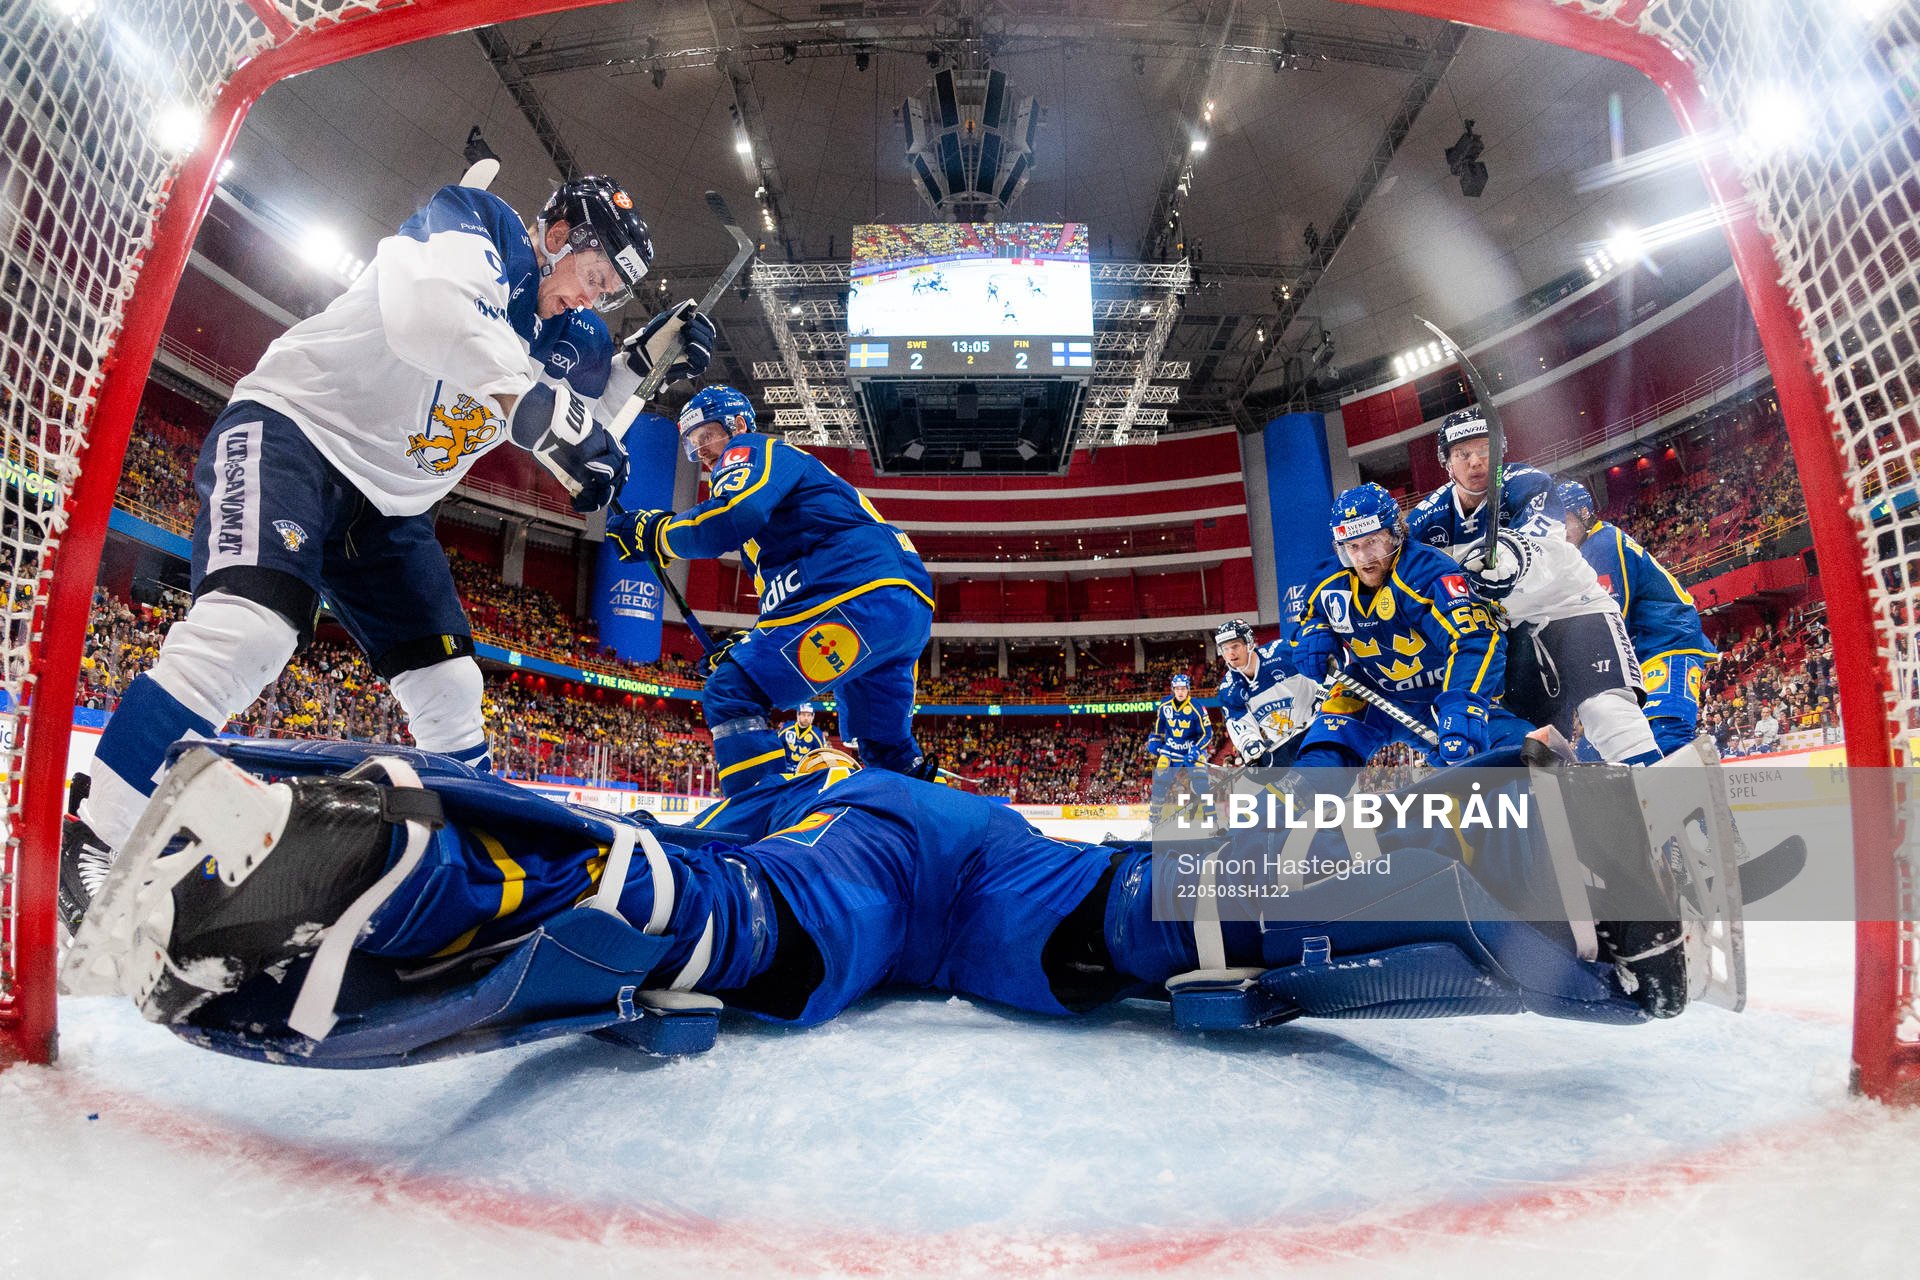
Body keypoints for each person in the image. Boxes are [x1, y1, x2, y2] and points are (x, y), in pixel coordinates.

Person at [63, 732, 1713, 1069]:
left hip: (945, 855)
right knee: (1139, 903)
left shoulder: (799, 776)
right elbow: (720, 847)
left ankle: (1537, 867)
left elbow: (725, 847)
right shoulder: (769, 791)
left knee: (1152, 898)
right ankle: (369, 865)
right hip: (919, 869)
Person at [57, 172, 717, 932]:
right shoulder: (481, 227)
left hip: (392, 511)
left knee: (452, 689)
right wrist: (535, 405)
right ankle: (97, 836)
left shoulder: (578, 337)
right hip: (293, 433)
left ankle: (475, 865)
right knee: (249, 633)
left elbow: (588, 419)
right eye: (593, 280)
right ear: (561, 237)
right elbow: (427, 317)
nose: (591, 301)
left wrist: (642, 358)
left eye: (608, 296)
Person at [608, 385, 935, 795]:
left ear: (738, 424)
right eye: (693, 446)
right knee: (885, 746)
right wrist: (753, 643)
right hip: (894, 608)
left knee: (732, 691)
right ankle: (926, 834)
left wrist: (656, 533)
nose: (702, 452)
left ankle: (762, 835)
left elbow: (731, 517)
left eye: (705, 435)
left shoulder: (751, 449)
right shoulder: (779, 515)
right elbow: (788, 600)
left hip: (854, 589)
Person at [1406, 407, 1662, 766]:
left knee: (1609, 713)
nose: (1476, 462)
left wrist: (1510, 557)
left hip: (1573, 609)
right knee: (1534, 745)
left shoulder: (1530, 483)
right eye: (1463, 454)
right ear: (1446, 463)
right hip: (1507, 637)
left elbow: (1550, 546)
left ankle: (1672, 806)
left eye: (1485, 450)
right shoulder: (1425, 522)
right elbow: (1401, 590)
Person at [1291, 482, 1533, 768]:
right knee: (1328, 744)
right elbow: (1310, 619)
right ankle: (1303, 792)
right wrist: (1313, 636)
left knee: (1516, 749)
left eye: (1372, 541)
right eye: (1352, 546)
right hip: (1375, 690)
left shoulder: (1427, 573)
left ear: (1396, 533)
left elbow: (1475, 638)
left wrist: (1463, 703)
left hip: (1441, 693)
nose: (1364, 558)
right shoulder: (1328, 581)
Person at [1557, 481, 1718, 755]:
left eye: (1564, 522)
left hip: (1668, 644)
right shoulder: (1587, 549)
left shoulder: (1602, 545)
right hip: (1641, 654)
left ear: (1584, 513)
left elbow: (1608, 620)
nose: (1560, 532)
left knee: (1667, 733)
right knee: (1594, 750)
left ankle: (1693, 796)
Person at [1214, 619, 1321, 766]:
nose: (1230, 653)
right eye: (1225, 648)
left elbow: (1322, 663)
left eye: (1235, 646)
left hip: (1316, 729)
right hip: (1284, 748)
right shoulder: (1229, 689)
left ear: (1249, 643)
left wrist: (1325, 695)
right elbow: (1239, 723)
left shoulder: (1282, 653)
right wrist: (1250, 745)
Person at [1145, 673, 1212, 823]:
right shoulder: (1164, 705)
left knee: (1202, 785)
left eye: (1183, 688)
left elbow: (1207, 734)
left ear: (1188, 689)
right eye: (1177, 689)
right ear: (1173, 689)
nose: (1180, 692)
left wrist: (1195, 750)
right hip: (1170, 750)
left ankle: (1213, 821)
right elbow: (1158, 728)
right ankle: (1153, 822)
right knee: (1160, 783)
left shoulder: (1197, 708)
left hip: (1191, 751)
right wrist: (1154, 741)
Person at [779, 703, 827, 769]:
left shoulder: (818, 734)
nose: (806, 718)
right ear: (798, 715)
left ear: (813, 717)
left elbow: (820, 755)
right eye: (803, 715)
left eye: (809, 715)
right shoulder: (786, 729)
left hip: (804, 772)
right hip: (785, 769)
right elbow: (777, 747)